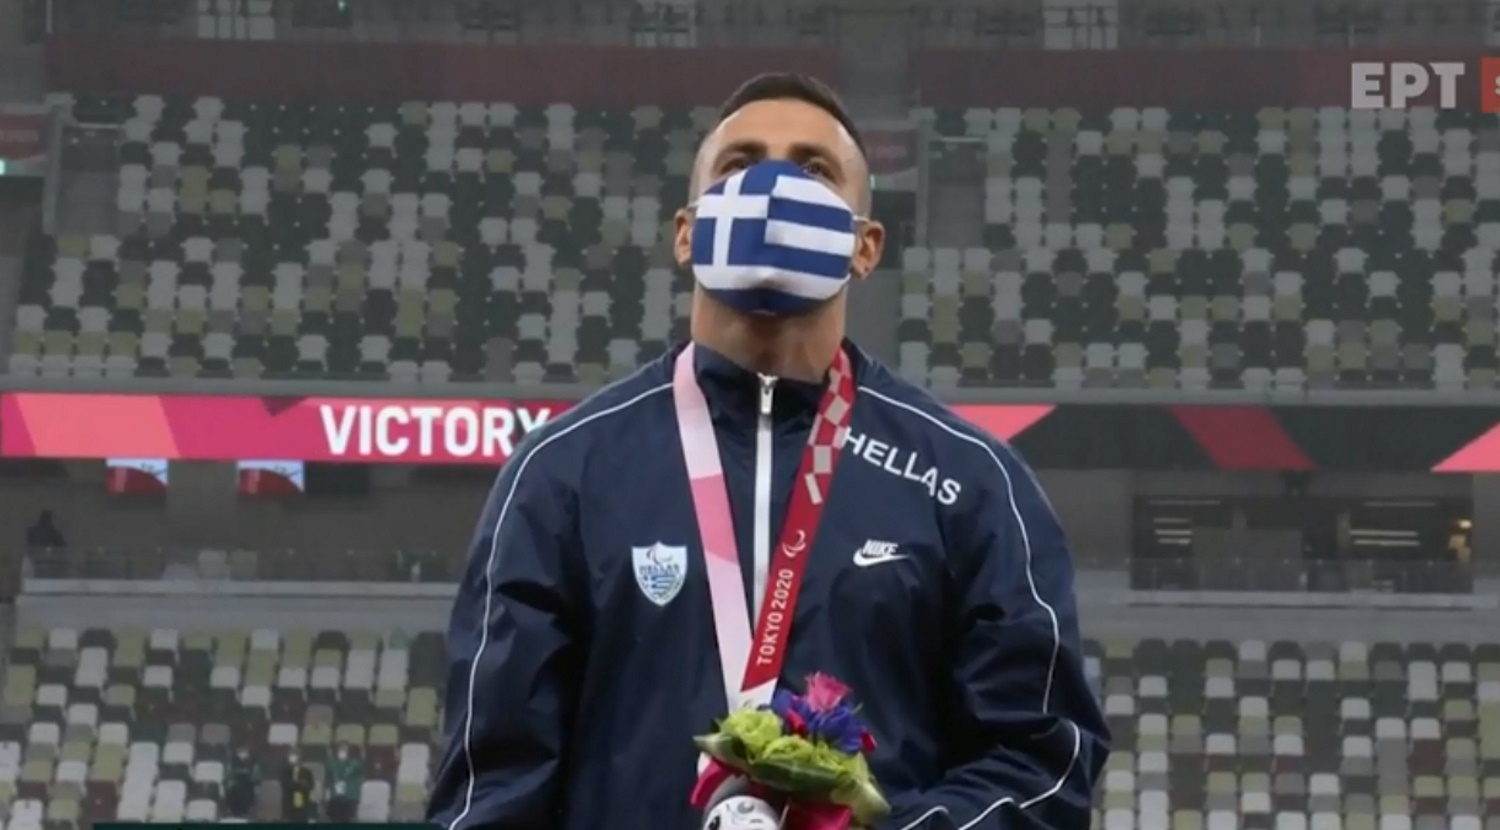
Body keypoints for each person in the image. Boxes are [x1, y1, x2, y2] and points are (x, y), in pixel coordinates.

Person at [427, 73, 1109, 830]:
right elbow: (492, 786)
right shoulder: (562, 473)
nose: (774, 187)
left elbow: (1041, 767)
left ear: (864, 246)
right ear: (686, 233)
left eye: (813, 169)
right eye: (740, 164)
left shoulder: (970, 482)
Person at [325, 741, 364, 821]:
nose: (342, 751)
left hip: (349, 796)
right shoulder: (332, 763)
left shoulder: (355, 764)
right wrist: (328, 792)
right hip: (335, 797)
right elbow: (328, 779)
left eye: (345, 749)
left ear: (348, 751)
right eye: (341, 749)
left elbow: (360, 776)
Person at [279, 750, 315, 822]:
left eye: (296, 756)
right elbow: (286, 785)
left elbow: (311, 786)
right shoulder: (285, 771)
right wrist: (300, 784)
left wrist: (302, 785)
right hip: (289, 806)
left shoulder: (307, 772)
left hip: (303, 806)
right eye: (291, 756)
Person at [224, 745, 260, 819]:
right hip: (237, 787)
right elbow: (228, 776)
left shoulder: (253, 764)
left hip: (247, 786)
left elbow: (256, 778)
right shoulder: (232, 762)